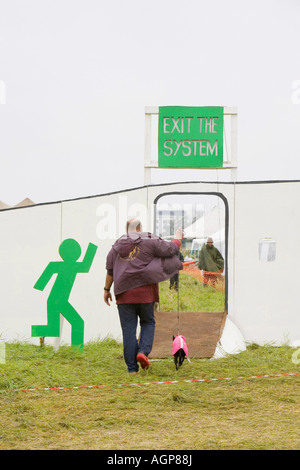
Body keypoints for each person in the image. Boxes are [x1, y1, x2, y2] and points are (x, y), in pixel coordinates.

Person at [104, 218, 183, 374]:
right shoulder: (150, 240)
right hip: (145, 293)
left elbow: (110, 270)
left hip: (124, 294)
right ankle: (143, 352)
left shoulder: (117, 246)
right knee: (147, 322)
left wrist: (106, 289)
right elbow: (170, 250)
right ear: (139, 228)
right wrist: (177, 239)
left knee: (128, 330)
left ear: (127, 230)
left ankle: (132, 370)